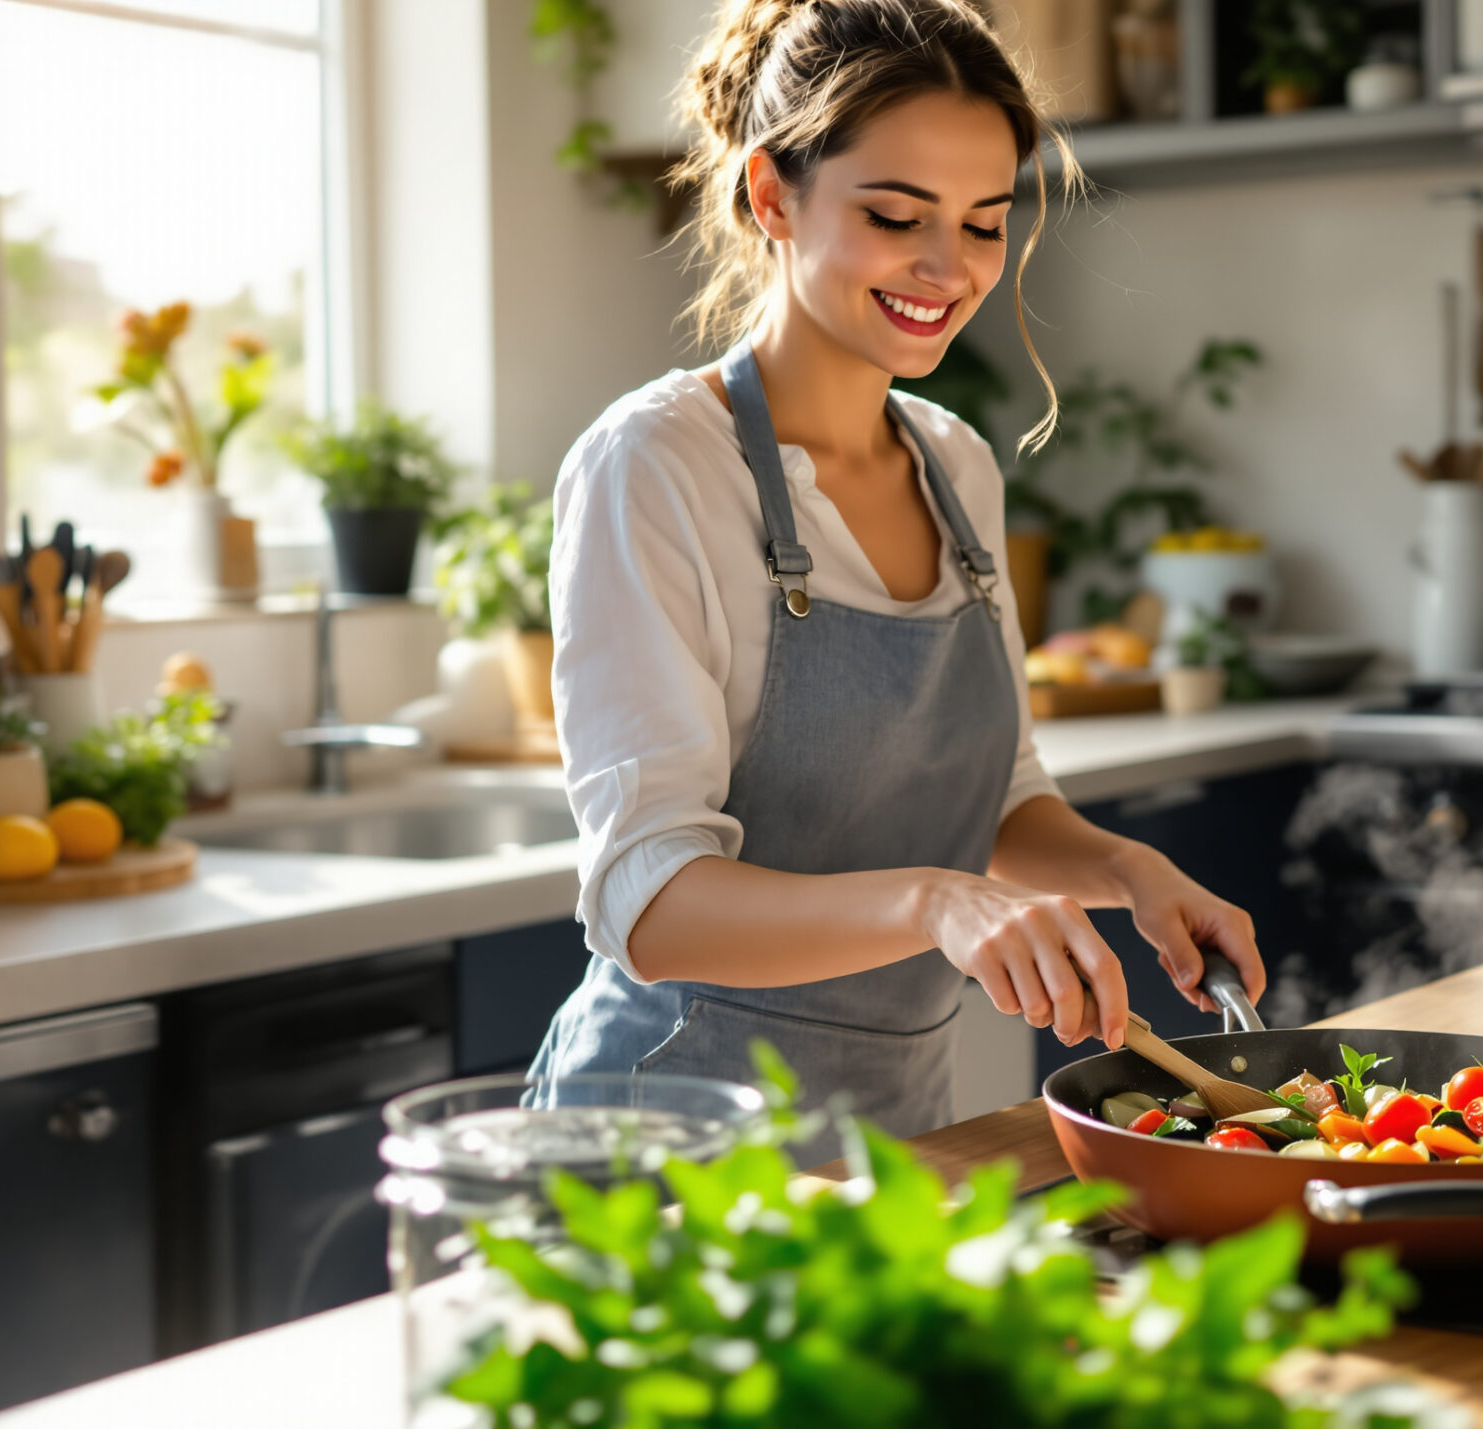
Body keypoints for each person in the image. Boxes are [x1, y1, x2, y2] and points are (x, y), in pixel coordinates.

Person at [530, 0, 1263, 1158]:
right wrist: (936, 901)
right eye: (893, 214)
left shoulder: (955, 462)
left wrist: (1129, 870)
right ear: (772, 197)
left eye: (984, 222)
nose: (947, 267)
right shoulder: (656, 464)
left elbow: (999, 799)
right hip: (666, 1154)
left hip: (897, 1142)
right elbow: (652, 904)